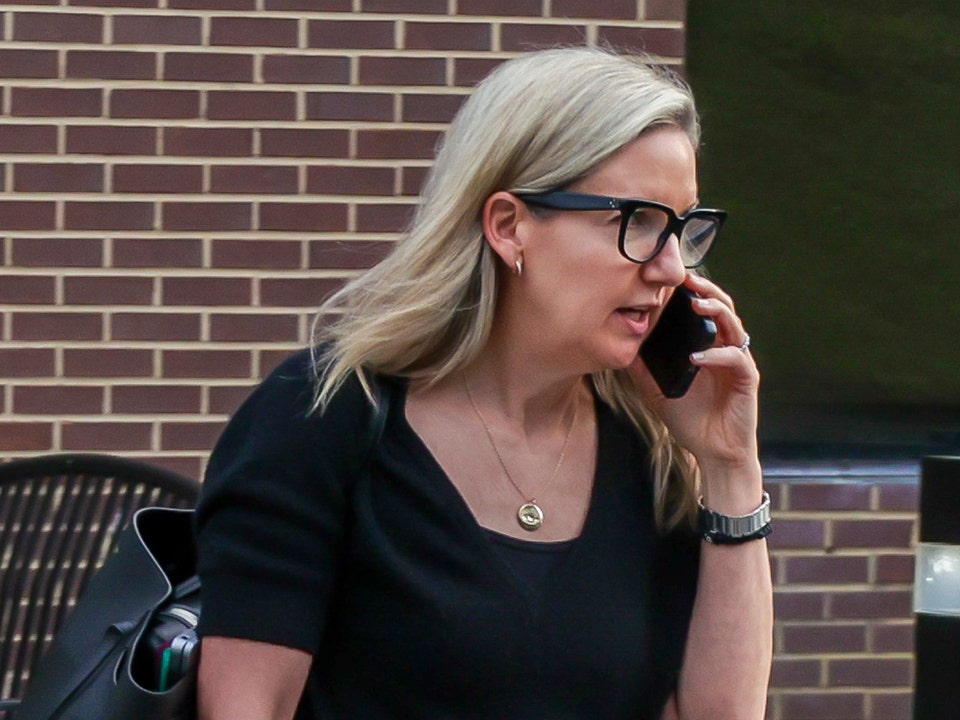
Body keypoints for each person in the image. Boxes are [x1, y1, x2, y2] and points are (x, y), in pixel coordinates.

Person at [194, 46, 772, 720]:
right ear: (508, 226)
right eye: (636, 221)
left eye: (681, 228)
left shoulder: (653, 452)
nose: (671, 268)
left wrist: (730, 467)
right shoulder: (324, 414)